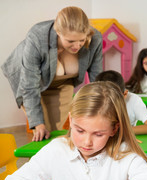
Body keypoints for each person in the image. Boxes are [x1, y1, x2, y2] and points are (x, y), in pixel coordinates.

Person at [1, 81, 147, 180]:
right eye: (79, 130)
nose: (87, 142)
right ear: (70, 120)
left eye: (98, 134)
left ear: (114, 129)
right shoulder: (57, 150)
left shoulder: (125, 154)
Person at [1, 6, 103, 142]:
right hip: (31, 82)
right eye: (71, 41)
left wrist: (102, 109)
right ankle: (38, 161)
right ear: (58, 32)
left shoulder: (95, 38)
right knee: (42, 131)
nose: (77, 46)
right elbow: (30, 85)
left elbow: (97, 79)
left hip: (63, 82)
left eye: (81, 40)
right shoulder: (37, 36)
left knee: (56, 132)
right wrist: (37, 124)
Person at [95, 70, 147, 135]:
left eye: (113, 100)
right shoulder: (92, 99)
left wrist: (118, 131)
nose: (108, 104)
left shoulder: (133, 99)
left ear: (125, 94)